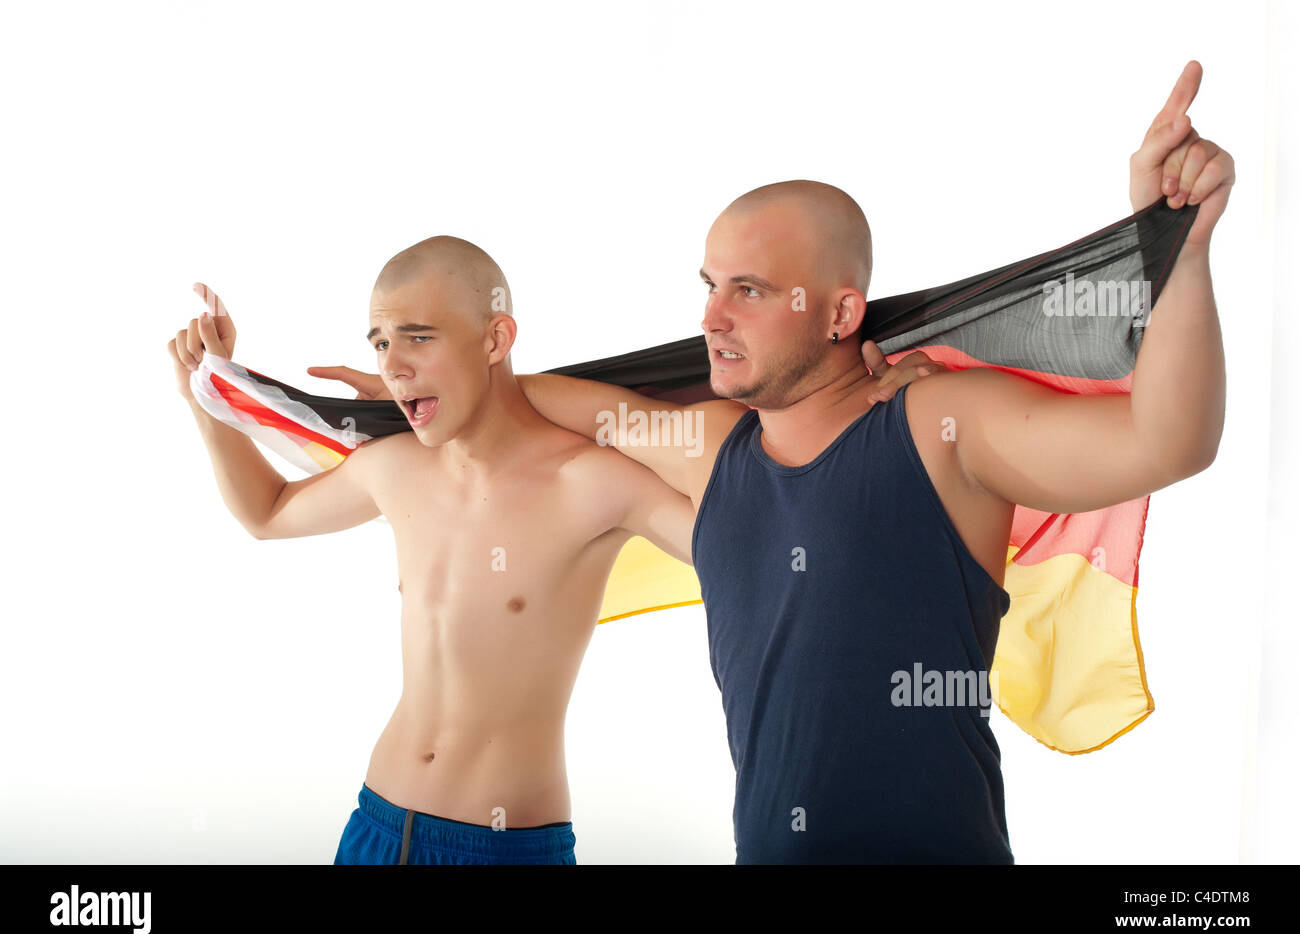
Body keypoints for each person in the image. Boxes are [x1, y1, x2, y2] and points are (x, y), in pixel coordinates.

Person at [319, 61, 1231, 863]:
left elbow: (1166, 443)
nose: (712, 318)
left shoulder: (938, 424)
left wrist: (1175, 250)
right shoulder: (713, 449)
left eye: (748, 291)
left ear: (839, 315)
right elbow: (546, 400)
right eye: (709, 287)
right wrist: (415, 391)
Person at [168, 236, 703, 864]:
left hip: (502, 847)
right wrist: (204, 398)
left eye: (419, 338)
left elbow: (747, 544)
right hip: (376, 825)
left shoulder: (591, 482)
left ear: (496, 339)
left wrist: (563, 401)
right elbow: (268, 513)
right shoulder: (395, 466)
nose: (392, 365)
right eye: (380, 342)